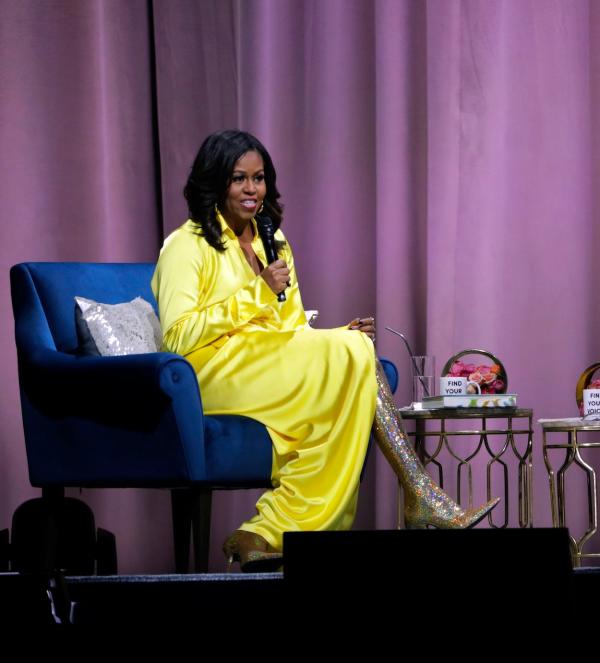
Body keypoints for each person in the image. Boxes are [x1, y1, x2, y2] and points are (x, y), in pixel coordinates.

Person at [152, 130, 497, 572]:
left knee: (354, 350)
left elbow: (289, 326)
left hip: (261, 366)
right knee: (352, 353)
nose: (252, 190)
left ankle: (264, 532)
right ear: (214, 182)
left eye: (259, 178)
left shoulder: (272, 242)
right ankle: (419, 493)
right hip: (209, 374)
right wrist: (258, 293)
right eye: (239, 178)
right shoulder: (187, 244)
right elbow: (178, 337)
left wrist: (331, 336)